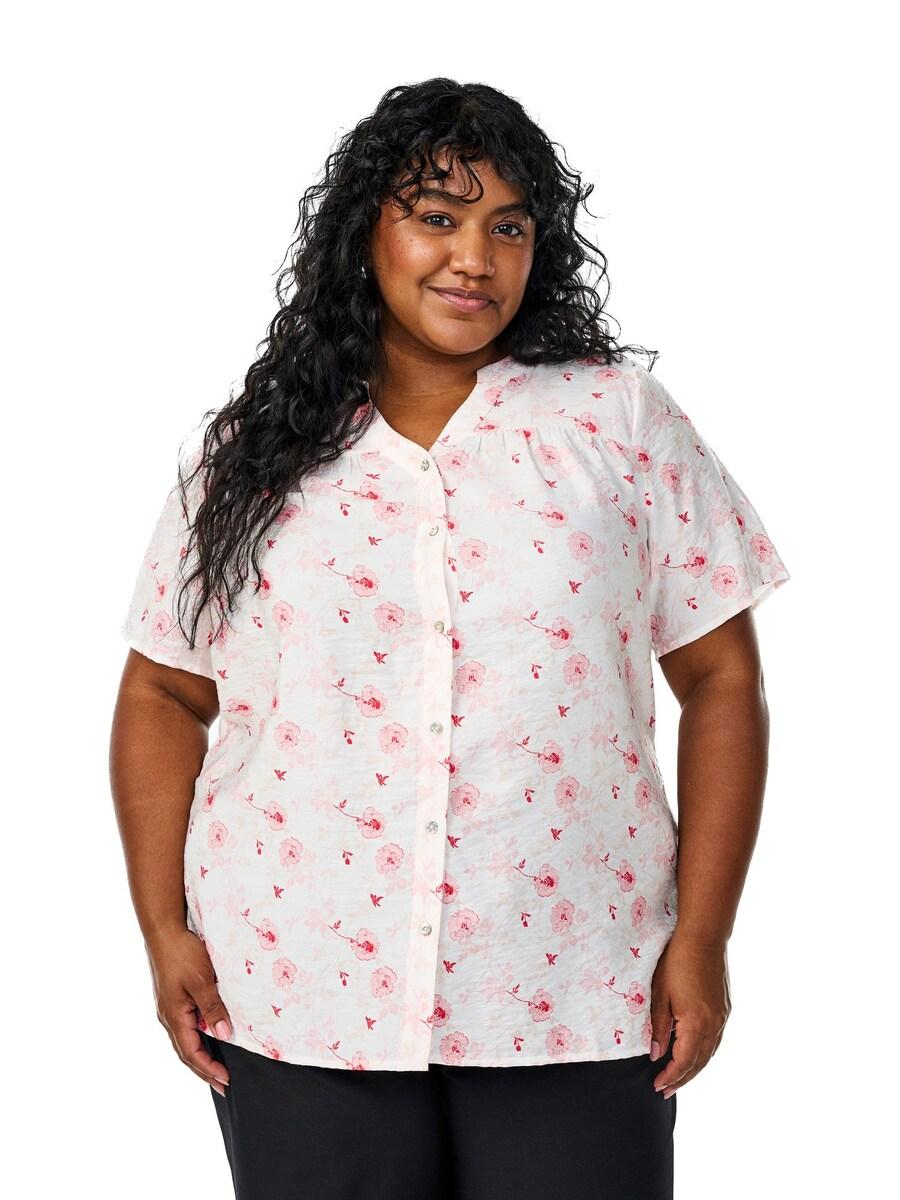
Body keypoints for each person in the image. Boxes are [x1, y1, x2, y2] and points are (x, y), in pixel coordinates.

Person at [110, 78, 791, 1200]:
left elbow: (720, 678)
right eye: (437, 217)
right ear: (363, 232)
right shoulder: (252, 451)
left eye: (508, 227)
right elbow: (164, 691)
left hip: (575, 983)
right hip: (298, 984)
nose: (474, 258)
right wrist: (161, 927)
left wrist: (704, 939)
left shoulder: (615, 421)